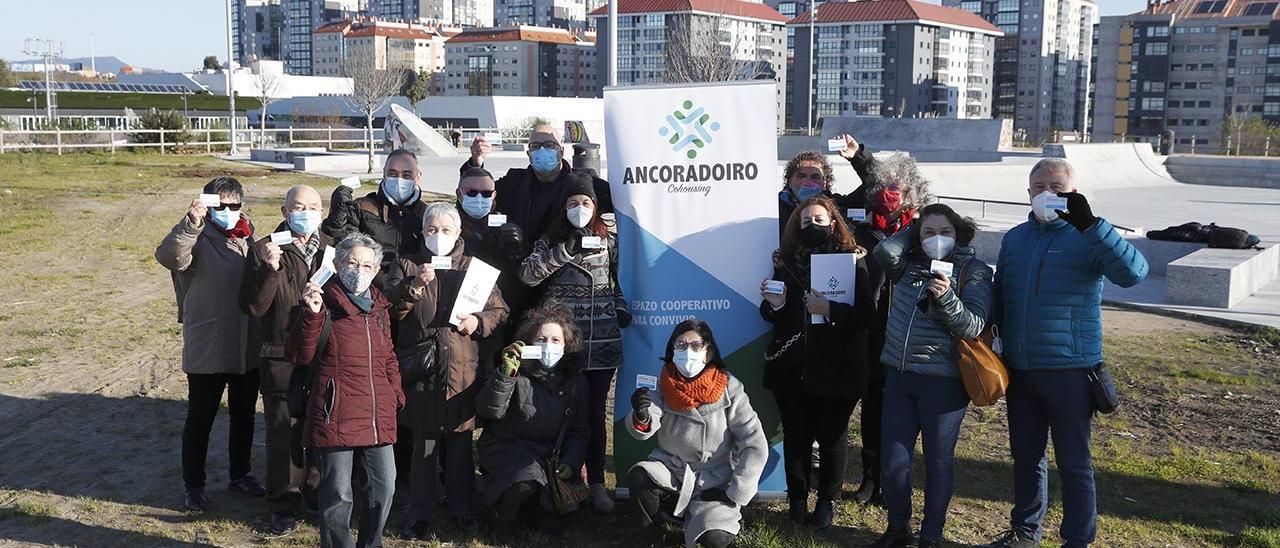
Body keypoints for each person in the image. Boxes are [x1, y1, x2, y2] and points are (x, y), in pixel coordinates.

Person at [980, 159, 1148, 548]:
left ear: (1073, 193)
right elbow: (1001, 291)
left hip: (1071, 370)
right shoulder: (1015, 238)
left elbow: (1133, 273)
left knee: (1074, 464)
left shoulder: (1088, 236)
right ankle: (1025, 531)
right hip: (1020, 370)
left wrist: (1091, 225)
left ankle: (1077, 539)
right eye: (1038, 186)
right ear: (1027, 193)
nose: (1046, 194)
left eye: (1056, 187)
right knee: (1026, 458)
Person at [868, 204, 994, 548]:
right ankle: (898, 529)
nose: (937, 239)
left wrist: (947, 298)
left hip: (944, 383)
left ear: (959, 233)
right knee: (894, 462)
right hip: (899, 375)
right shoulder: (908, 265)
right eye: (929, 232)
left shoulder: (975, 270)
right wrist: (913, 229)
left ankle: (932, 535)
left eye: (945, 232)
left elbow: (974, 325)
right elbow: (883, 252)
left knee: (938, 462)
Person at [385, 203, 510, 539]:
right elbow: (391, 308)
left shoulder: (476, 270)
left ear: (458, 234)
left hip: (462, 373)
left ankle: (462, 508)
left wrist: (479, 321)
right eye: (431, 229)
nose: (438, 236)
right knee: (423, 449)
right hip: (422, 372)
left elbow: (500, 312)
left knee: (459, 448)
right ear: (423, 232)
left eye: (445, 230)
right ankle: (419, 513)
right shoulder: (407, 264)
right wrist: (413, 286)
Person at [518, 173, 631, 513]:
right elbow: (527, 274)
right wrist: (564, 250)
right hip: (561, 342)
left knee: (594, 414)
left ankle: (596, 484)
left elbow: (622, 278)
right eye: (572, 203)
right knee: (560, 412)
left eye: (585, 203)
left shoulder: (608, 237)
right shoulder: (551, 237)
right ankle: (562, 481)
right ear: (563, 207)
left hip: (602, 341)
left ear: (595, 206)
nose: (579, 209)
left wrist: (621, 306)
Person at [759, 195, 873, 529]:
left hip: (838, 367)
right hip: (793, 367)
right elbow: (769, 314)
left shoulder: (853, 261)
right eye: (806, 221)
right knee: (797, 437)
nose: (813, 225)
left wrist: (831, 311)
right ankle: (797, 502)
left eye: (820, 220)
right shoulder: (785, 261)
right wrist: (776, 304)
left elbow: (866, 315)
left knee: (833, 437)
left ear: (834, 223)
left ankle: (826, 503)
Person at [155, 176, 265, 513]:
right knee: (201, 417)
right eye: (220, 205)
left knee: (244, 414)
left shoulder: (251, 237)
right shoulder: (196, 236)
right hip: (208, 343)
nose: (228, 211)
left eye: (234, 205)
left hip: (247, 343)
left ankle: (240, 473)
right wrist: (191, 223)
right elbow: (170, 257)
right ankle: (194, 485)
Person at [288, 234, 405, 548]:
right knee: (338, 495)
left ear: (377, 268)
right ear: (337, 264)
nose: (359, 270)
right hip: (334, 411)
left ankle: (371, 543)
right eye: (352, 262)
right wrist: (311, 315)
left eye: (367, 264)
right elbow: (300, 355)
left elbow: (389, 355)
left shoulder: (379, 306)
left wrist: (395, 392)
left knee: (384, 488)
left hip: (377, 412)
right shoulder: (321, 301)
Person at [625, 320, 769, 548]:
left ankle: (702, 518)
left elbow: (754, 442)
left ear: (708, 351)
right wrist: (641, 415)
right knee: (640, 477)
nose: (687, 351)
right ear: (672, 349)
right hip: (672, 469)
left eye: (695, 345)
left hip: (713, 479)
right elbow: (650, 414)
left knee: (716, 539)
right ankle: (654, 537)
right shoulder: (665, 381)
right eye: (680, 345)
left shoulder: (730, 387)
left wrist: (735, 492)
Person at [845, 137, 934, 505]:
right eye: (883, 188)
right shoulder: (858, 227)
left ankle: (891, 477)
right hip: (866, 332)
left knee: (897, 412)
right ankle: (869, 476)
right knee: (871, 404)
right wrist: (861, 160)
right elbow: (870, 183)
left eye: (897, 188)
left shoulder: (922, 231)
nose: (889, 194)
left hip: (905, 333)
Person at [239, 185, 328, 534]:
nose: (305, 212)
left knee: (322, 426)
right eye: (297, 206)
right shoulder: (265, 249)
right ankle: (282, 502)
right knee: (282, 430)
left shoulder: (332, 248)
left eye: (313, 206)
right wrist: (271, 269)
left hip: (322, 352)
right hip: (280, 353)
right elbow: (253, 306)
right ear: (284, 210)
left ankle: (317, 492)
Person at [475, 306, 590, 536]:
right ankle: (501, 522)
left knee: (555, 525)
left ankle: (529, 508)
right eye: (542, 339)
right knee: (525, 482)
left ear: (566, 346)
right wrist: (505, 375)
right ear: (530, 342)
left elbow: (579, 431)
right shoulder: (515, 371)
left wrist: (571, 461)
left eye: (556, 340)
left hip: (549, 456)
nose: (549, 345)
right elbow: (489, 411)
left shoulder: (576, 382)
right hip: (507, 447)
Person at [462, 124, 613, 245]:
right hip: (518, 266)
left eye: (549, 145)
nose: (542, 150)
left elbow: (622, 203)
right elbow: (476, 197)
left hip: (565, 268)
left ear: (561, 151)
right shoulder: (513, 182)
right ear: (528, 154)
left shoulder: (584, 183)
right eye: (535, 146)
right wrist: (476, 163)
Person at [322, 148, 427, 289]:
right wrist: (337, 217)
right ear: (383, 173)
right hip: (369, 294)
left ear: (418, 176)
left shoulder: (427, 215)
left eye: (406, 175)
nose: (399, 180)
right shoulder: (362, 207)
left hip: (412, 293)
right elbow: (342, 248)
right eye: (392, 173)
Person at [455, 166, 531, 331]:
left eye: (486, 193)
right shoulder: (448, 225)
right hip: (459, 313)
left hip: (499, 314)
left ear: (494, 195)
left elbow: (522, 277)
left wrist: (518, 250)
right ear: (459, 193)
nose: (479, 198)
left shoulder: (506, 226)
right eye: (472, 193)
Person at [778, 134, 873, 235]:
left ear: (825, 183)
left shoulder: (839, 208)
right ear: (789, 181)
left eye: (815, 177)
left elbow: (876, 185)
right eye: (801, 176)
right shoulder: (774, 208)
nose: (807, 182)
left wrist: (858, 156)